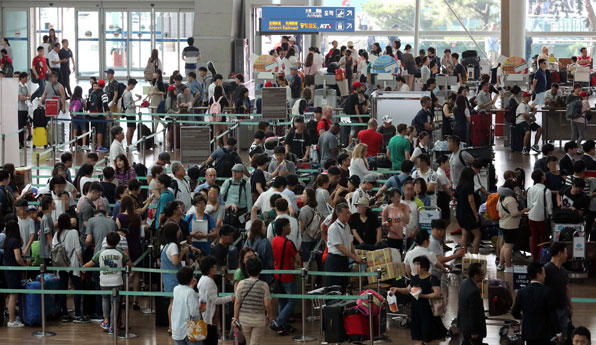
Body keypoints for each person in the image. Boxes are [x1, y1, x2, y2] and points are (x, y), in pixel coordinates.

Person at [83, 231, 133, 334]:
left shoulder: (100, 253)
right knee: (115, 303)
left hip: (104, 281)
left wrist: (83, 268)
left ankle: (105, 321)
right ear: (118, 242)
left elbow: (90, 263)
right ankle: (113, 326)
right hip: (117, 281)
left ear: (106, 241)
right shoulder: (120, 253)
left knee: (105, 300)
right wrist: (133, 269)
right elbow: (129, 263)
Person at [389, 256, 445, 344]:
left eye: (417, 265)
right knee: (418, 334)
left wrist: (423, 296)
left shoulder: (432, 278)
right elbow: (408, 290)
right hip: (416, 309)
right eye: (414, 265)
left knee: (427, 334)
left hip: (428, 310)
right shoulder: (415, 278)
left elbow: (437, 293)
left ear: (424, 267)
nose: (414, 267)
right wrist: (397, 289)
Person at [511, 261, 562, 344]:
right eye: (544, 273)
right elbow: (552, 314)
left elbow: (514, 312)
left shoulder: (522, 292)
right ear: (538, 275)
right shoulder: (547, 291)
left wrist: (523, 317)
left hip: (529, 333)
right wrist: (558, 332)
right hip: (545, 334)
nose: (545, 276)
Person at [269, 217, 300, 335]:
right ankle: (279, 321)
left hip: (277, 275)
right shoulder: (288, 243)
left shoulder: (274, 240)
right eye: (288, 226)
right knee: (293, 299)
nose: (290, 228)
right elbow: (297, 258)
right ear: (283, 228)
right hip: (288, 275)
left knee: (282, 300)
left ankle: (283, 326)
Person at [233, 256, 272, 345]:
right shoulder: (264, 285)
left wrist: (235, 317)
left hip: (244, 319)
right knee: (254, 343)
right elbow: (267, 304)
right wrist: (270, 316)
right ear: (260, 270)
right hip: (258, 319)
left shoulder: (241, 284)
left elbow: (237, 302)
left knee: (249, 342)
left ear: (247, 270)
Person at [53, 213, 84, 322]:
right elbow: (78, 249)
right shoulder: (74, 232)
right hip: (73, 264)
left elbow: (54, 249)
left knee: (63, 288)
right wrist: (82, 263)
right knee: (77, 288)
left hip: (61, 265)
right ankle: (77, 313)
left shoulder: (56, 234)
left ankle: (64, 313)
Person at [325, 203, 364, 289]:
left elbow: (350, 243)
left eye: (349, 212)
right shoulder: (333, 228)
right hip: (334, 260)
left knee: (343, 285)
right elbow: (341, 247)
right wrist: (354, 257)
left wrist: (356, 255)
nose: (349, 215)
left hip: (344, 259)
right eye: (346, 213)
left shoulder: (347, 226)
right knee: (334, 286)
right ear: (339, 214)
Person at [197, 255, 234, 345]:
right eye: (214, 266)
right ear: (209, 268)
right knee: (211, 340)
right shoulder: (209, 281)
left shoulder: (202, 279)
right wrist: (230, 298)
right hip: (209, 317)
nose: (216, 268)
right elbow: (215, 300)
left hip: (204, 313)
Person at [161, 222, 189, 332]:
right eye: (177, 231)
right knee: (173, 302)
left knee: (173, 301)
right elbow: (175, 262)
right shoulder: (172, 246)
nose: (179, 232)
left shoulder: (166, 245)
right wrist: (183, 252)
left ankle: (172, 326)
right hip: (173, 278)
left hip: (168, 278)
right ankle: (172, 326)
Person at [497, 179, 530, 272]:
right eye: (516, 187)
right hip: (510, 226)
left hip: (503, 224)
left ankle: (501, 264)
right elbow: (514, 214)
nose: (517, 189)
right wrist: (524, 210)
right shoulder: (510, 199)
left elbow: (497, 208)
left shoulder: (501, 197)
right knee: (509, 246)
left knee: (505, 245)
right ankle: (508, 266)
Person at [3, 220, 31, 327]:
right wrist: (25, 265)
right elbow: (18, 258)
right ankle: (11, 320)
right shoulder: (14, 241)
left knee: (12, 295)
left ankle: (13, 318)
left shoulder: (7, 240)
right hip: (13, 271)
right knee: (13, 296)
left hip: (8, 271)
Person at [544, 242, 571, 343]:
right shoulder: (546, 269)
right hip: (550, 310)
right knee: (551, 336)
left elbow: (566, 289)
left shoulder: (563, 271)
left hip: (563, 309)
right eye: (565, 253)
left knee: (563, 336)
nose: (567, 256)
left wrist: (570, 306)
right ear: (560, 253)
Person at [170, 267, 201, 345]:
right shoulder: (191, 292)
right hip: (190, 329)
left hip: (177, 328)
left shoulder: (176, 289)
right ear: (190, 279)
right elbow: (194, 312)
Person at [457, 262, 487, 345]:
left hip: (464, 325)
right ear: (476, 275)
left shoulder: (464, 283)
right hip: (472, 329)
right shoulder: (474, 291)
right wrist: (474, 332)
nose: (484, 274)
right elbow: (473, 313)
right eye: (482, 273)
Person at [527, 170, 553, 262]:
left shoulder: (530, 189)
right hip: (542, 218)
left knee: (534, 237)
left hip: (531, 217)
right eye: (543, 174)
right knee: (544, 239)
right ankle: (542, 258)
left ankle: (535, 257)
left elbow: (529, 205)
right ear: (542, 177)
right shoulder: (547, 190)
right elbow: (549, 209)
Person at [456, 167, 481, 254]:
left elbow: (455, 197)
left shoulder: (459, 185)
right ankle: (475, 256)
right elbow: (471, 200)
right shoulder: (469, 185)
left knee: (464, 234)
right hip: (468, 213)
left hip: (459, 212)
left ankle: (464, 255)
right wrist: (475, 213)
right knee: (477, 235)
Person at [17, 72, 31, 148]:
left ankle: (24, 142)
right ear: (21, 78)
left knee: (24, 126)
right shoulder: (19, 86)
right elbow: (21, 98)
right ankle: (20, 142)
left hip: (25, 108)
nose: (26, 79)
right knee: (20, 126)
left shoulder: (26, 85)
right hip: (20, 108)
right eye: (25, 78)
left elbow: (29, 95)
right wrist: (26, 97)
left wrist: (26, 97)